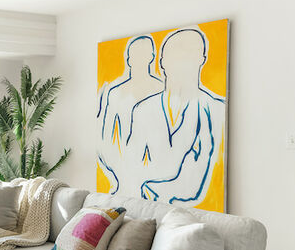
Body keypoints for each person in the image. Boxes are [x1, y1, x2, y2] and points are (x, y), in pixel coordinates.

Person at [126, 28, 225, 205]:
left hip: (192, 209)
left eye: (188, 55)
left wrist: (154, 189)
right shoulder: (143, 109)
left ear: (201, 59)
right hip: (148, 207)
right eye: (175, 56)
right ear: (162, 62)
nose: (181, 63)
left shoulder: (216, 110)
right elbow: (132, 166)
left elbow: (199, 179)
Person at [96, 36, 161, 194]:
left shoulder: (161, 89)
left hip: (156, 164)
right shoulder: (116, 92)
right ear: (129, 59)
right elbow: (106, 138)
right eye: (134, 55)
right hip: (123, 166)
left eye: (142, 54)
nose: (137, 60)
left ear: (151, 57)